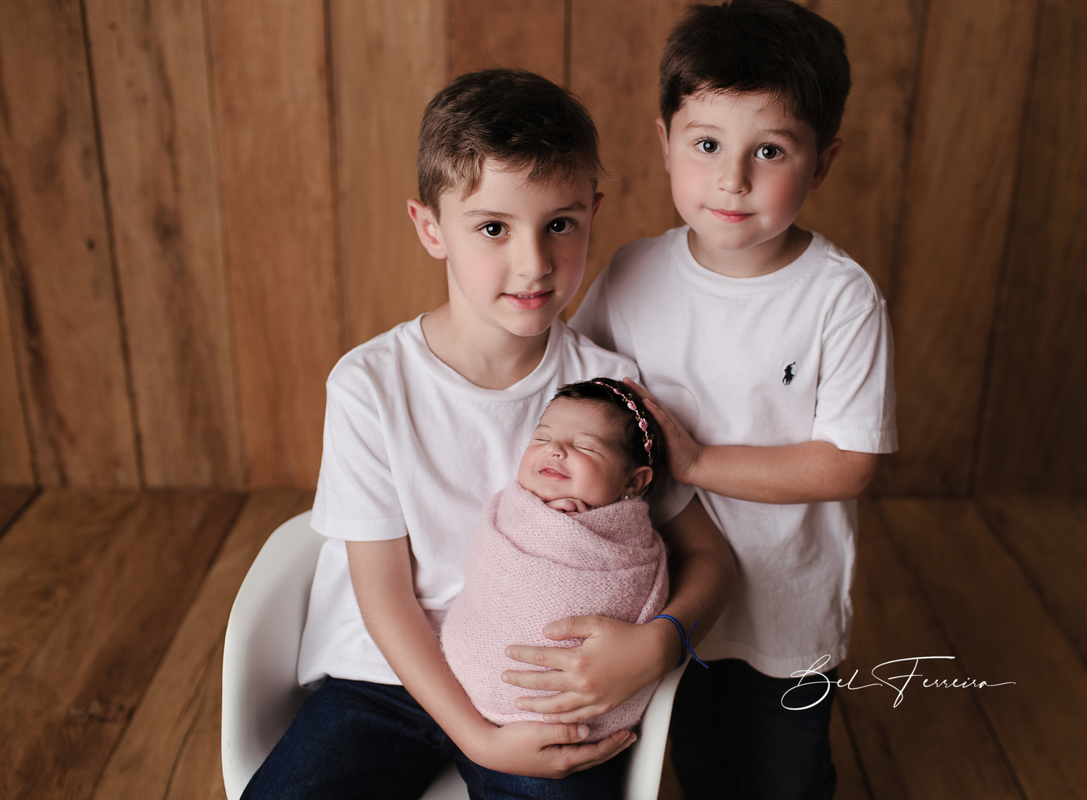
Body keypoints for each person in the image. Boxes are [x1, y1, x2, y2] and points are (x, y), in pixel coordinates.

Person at [241, 69, 734, 800]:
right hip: (387, 680)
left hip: (537, 683)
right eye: (493, 228)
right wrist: (476, 736)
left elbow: (712, 559)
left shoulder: (609, 389)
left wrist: (658, 645)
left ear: (592, 214)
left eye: (560, 224)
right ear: (431, 228)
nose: (533, 263)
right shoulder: (371, 384)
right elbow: (384, 597)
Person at [571, 2, 898, 798]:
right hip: (667, 594)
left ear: (822, 162)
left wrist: (699, 461)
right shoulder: (633, 274)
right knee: (703, 763)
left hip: (786, 606)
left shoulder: (838, 298)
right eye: (708, 144)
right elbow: (580, 390)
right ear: (665, 143)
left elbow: (849, 462)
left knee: (786, 773)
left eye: (770, 151)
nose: (732, 179)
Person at [441, 378, 670, 743]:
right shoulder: (510, 510)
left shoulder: (631, 544)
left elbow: (629, 599)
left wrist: (575, 528)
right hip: (453, 694)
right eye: (542, 438)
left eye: (585, 446)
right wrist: (550, 523)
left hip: (569, 723)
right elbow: (488, 582)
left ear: (633, 482)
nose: (555, 450)